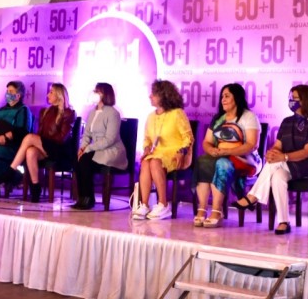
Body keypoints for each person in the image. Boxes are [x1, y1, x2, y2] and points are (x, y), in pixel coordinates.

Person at [234, 84, 308, 235]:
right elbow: (278, 145)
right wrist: (272, 153)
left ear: (305, 100)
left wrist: (283, 157)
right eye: (290, 98)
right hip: (288, 165)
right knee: (277, 176)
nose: (291, 101)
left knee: (276, 164)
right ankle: (284, 221)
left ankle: (253, 196)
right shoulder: (287, 121)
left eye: (295, 98)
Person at [193, 83, 262, 228]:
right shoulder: (219, 118)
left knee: (222, 163)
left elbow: (251, 145)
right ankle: (202, 209)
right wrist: (211, 150)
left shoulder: (249, 117)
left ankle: (217, 211)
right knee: (202, 162)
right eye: (222, 97)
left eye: (227, 96)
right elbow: (206, 142)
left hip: (246, 161)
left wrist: (227, 152)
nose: (223, 100)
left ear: (236, 98)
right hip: (222, 155)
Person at [132, 80, 194, 221]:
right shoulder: (150, 116)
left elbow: (188, 138)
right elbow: (147, 139)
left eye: (154, 94)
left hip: (176, 152)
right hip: (157, 152)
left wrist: (182, 151)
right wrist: (146, 148)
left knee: (154, 161)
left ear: (164, 95)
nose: (150, 96)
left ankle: (163, 204)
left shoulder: (177, 113)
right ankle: (144, 205)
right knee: (146, 162)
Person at [9, 83, 76, 203]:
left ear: (59, 95)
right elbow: (40, 134)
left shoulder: (68, 113)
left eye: (51, 92)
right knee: (30, 151)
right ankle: (35, 188)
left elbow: (62, 138)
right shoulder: (45, 111)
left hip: (60, 150)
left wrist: (41, 140)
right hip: (46, 147)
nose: (47, 95)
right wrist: (40, 142)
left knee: (29, 137)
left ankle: (11, 170)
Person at [72, 82, 128, 210]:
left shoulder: (113, 113)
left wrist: (88, 149)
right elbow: (87, 134)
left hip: (111, 150)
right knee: (78, 159)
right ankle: (82, 196)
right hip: (97, 149)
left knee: (85, 160)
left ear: (105, 94)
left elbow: (110, 139)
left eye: (97, 91)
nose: (94, 93)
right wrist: (82, 147)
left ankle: (88, 198)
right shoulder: (93, 112)